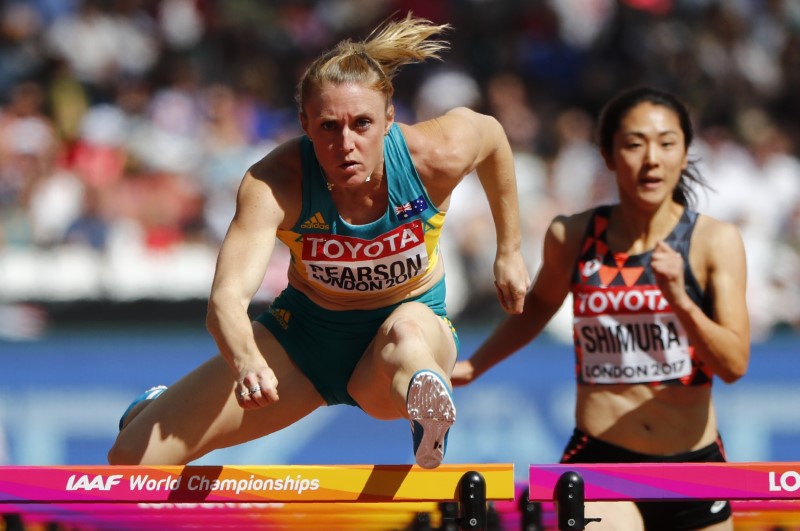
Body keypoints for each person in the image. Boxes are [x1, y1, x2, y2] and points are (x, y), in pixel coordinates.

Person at [107, 13, 530, 470]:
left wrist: (508, 250)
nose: (346, 143)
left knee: (405, 336)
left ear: (389, 118)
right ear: (304, 123)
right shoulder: (274, 183)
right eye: (329, 127)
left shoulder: (434, 155)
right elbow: (226, 300)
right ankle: (155, 408)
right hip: (303, 341)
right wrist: (248, 361)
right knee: (131, 460)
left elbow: (492, 137)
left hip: (408, 324)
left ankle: (425, 406)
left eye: (362, 124)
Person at [452, 86, 750, 530]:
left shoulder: (714, 242)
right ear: (608, 156)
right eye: (634, 144)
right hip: (601, 460)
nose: (652, 158)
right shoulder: (571, 236)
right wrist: (474, 366)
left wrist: (681, 300)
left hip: (691, 464)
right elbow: (537, 310)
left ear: (685, 153)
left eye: (667, 143)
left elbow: (734, 364)